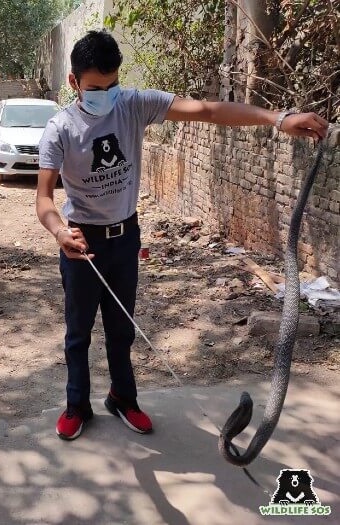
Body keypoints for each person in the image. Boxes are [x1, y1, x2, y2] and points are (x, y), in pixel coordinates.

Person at [37, 30, 329, 441]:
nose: (106, 95)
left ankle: (123, 399)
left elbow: (208, 111)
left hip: (125, 238)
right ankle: (76, 406)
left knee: (122, 330)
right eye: (94, 89)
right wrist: (58, 231)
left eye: (112, 86)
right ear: (74, 83)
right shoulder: (60, 129)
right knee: (78, 334)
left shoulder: (134, 105)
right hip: (81, 242)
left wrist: (278, 119)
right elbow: (44, 199)